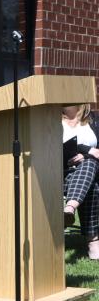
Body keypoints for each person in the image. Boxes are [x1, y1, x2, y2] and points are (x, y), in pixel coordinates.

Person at [61, 103, 99, 259]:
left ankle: (70, 207)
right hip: (63, 173)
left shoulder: (94, 120)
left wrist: (87, 155)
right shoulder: (52, 121)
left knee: (89, 163)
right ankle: (93, 241)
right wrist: (87, 150)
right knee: (93, 188)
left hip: (92, 170)